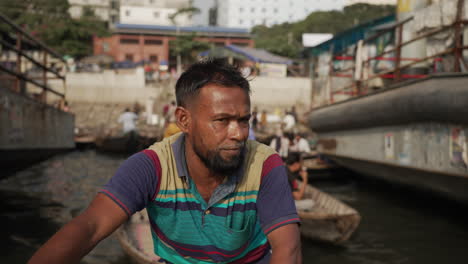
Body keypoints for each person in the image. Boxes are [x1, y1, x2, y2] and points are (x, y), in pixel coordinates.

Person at [28, 59, 302, 264]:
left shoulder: (266, 165)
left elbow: (286, 249)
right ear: (184, 120)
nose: (238, 133)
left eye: (244, 120)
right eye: (222, 121)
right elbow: (90, 227)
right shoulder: (151, 166)